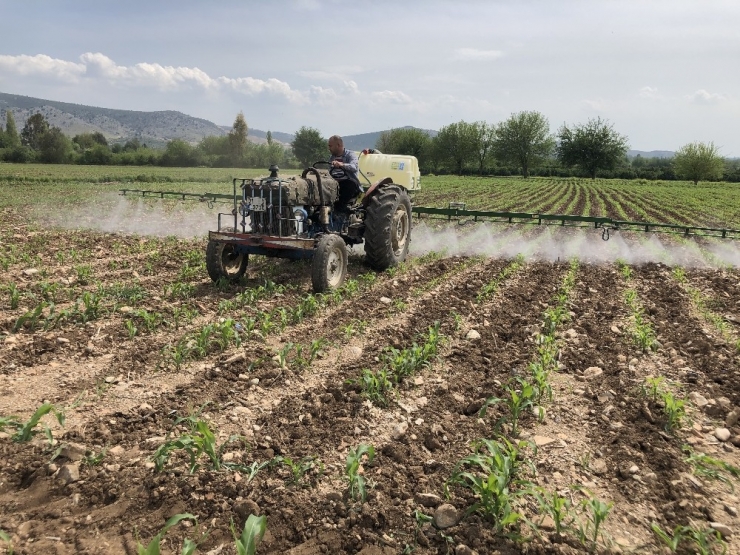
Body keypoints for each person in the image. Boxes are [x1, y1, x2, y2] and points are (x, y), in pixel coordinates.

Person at [327, 135, 362, 213]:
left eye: (330, 146)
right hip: (334, 183)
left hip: (348, 183)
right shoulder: (331, 157)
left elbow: (354, 167)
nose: (329, 148)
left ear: (338, 145)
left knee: (350, 184)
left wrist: (341, 164)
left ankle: (339, 211)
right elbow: (329, 170)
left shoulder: (350, 155)